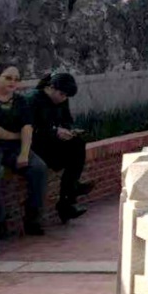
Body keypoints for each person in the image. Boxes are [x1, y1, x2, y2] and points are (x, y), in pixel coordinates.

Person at [0, 64, 48, 236]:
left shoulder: (21, 101)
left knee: (39, 168)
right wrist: (15, 136)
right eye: (8, 78)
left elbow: (27, 127)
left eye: (16, 79)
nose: (12, 82)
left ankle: (33, 220)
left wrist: (24, 153)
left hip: (14, 147)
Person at [25, 72, 92, 222]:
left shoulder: (62, 101)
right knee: (73, 155)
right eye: (61, 94)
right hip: (34, 146)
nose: (63, 98)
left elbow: (67, 120)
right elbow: (28, 129)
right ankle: (72, 191)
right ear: (51, 87)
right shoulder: (32, 99)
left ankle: (66, 202)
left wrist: (70, 130)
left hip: (51, 143)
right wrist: (55, 131)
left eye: (66, 96)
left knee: (78, 144)